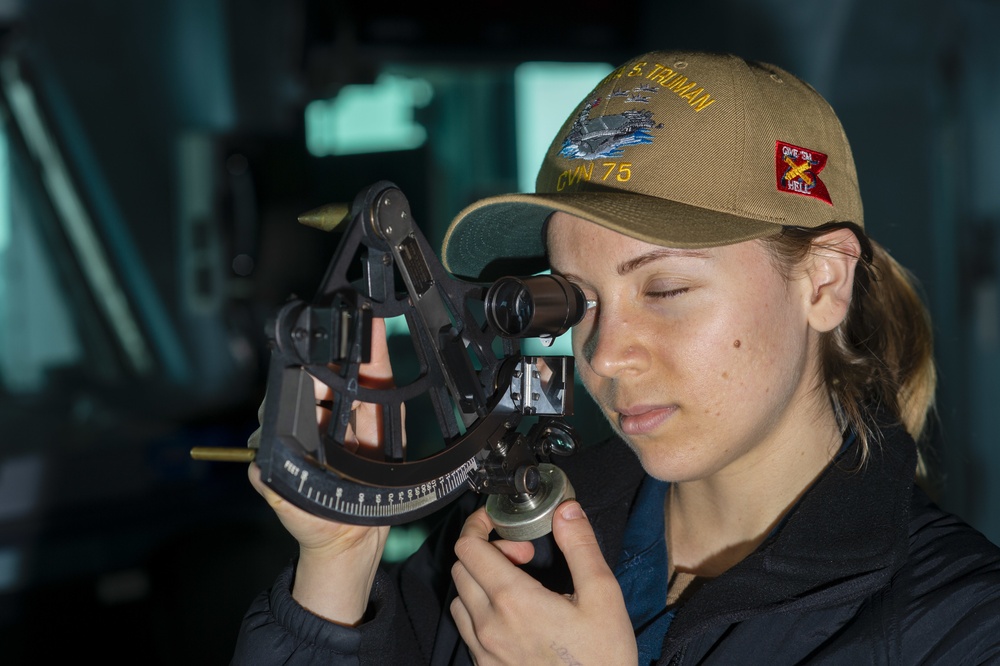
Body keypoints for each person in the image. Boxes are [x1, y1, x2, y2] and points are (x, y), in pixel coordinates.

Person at [232, 50, 1000, 665]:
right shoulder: (510, 534)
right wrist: (338, 563)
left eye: (664, 289)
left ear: (824, 283)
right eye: (573, 301)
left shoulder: (962, 626)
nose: (604, 353)